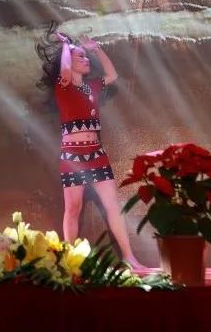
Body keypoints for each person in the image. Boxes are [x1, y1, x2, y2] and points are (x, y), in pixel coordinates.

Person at [36, 23, 150, 272]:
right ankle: (70, 262)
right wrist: (67, 46)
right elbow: (66, 69)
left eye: (85, 57)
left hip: (96, 154)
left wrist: (95, 49)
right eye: (81, 57)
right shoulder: (64, 85)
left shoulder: (93, 87)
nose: (85, 59)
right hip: (72, 157)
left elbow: (113, 75)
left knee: (113, 207)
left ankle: (130, 258)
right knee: (73, 209)